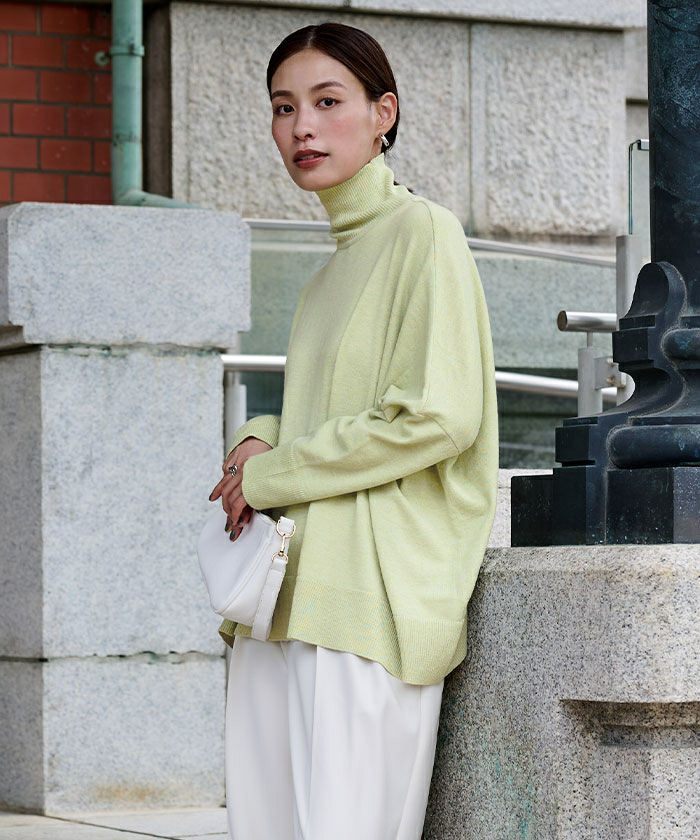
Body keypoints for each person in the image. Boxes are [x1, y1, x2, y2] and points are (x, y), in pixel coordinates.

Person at [207, 20, 499, 840]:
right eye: (283, 107)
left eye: (328, 102)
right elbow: (331, 408)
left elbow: (437, 414)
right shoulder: (330, 270)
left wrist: (270, 475)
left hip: (368, 599)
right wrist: (259, 435)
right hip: (284, 598)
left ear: (383, 113)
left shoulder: (423, 232)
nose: (302, 126)